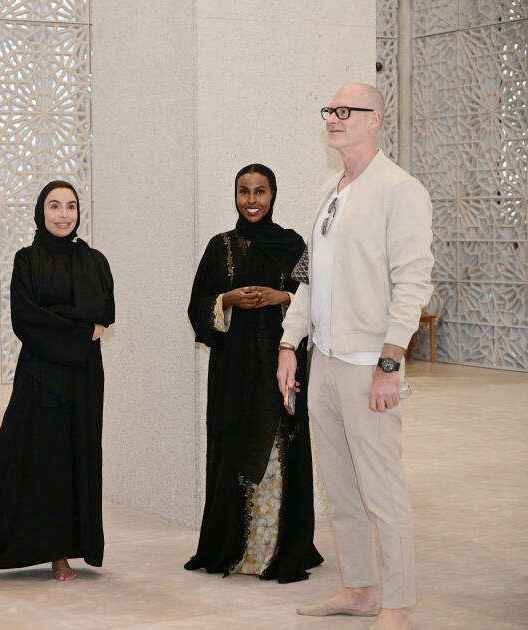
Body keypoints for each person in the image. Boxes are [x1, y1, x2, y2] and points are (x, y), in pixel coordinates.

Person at [277, 84, 433, 630]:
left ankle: (398, 603)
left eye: (347, 111)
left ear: (376, 119)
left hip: (370, 362)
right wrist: (289, 343)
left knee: (381, 491)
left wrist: (391, 362)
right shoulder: (330, 189)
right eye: (330, 110)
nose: (334, 118)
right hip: (323, 359)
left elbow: (413, 281)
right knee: (340, 487)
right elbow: (308, 276)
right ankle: (361, 589)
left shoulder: (400, 190)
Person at [0, 180, 114, 587]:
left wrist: (64, 320)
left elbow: (104, 313)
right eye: (54, 206)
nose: (64, 214)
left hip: (83, 378)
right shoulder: (27, 260)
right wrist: (78, 328)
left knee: (71, 460)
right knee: (14, 456)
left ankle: (60, 552)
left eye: (71, 206)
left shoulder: (94, 261)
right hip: (39, 375)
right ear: (40, 211)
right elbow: (26, 319)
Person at [185, 164, 323, 582]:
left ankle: (279, 548)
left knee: (280, 451)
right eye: (243, 191)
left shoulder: (293, 245)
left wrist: (282, 297)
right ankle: (234, 548)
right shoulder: (219, 247)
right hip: (233, 371)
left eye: (260, 191)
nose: (251, 200)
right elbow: (196, 307)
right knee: (234, 447)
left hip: (281, 366)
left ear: (273, 195)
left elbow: (317, 300)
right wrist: (227, 299)